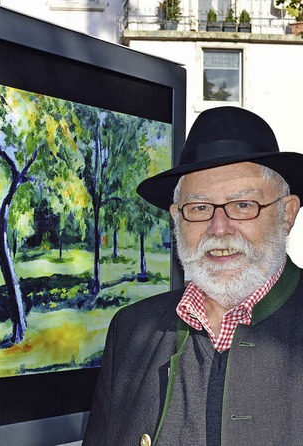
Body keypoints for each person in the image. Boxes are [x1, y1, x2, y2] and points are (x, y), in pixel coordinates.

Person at [82, 106, 303, 446]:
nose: (218, 228)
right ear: (177, 218)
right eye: (199, 208)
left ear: (286, 214)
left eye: (242, 204)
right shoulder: (132, 331)